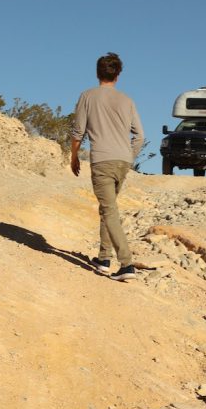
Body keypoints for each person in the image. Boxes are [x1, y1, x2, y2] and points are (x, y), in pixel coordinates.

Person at [70, 52, 144, 282]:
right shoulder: (127, 100)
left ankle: (127, 264)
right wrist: (128, 157)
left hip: (102, 160)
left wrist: (73, 157)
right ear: (118, 75)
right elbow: (140, 136)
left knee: (109, 209)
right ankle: (103, 258)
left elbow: (78, 132)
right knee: (107, 207)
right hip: (123, 161)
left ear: (97, 72)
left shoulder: (87, 96)